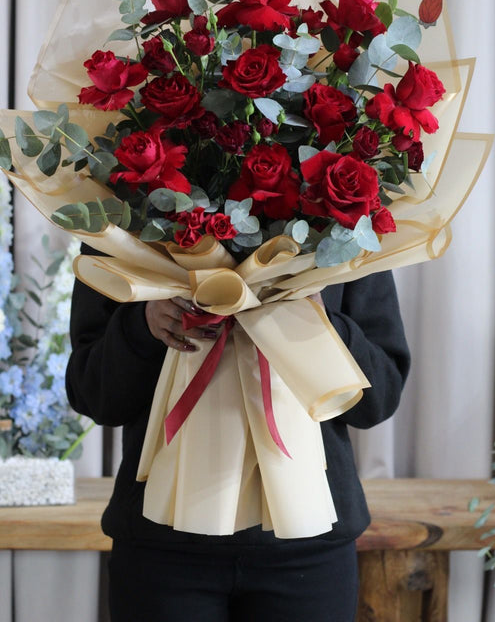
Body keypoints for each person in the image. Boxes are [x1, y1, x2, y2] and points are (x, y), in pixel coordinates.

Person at [67, 242, 410, 622]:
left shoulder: (342, 226)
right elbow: (91, 395)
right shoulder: (122, 222)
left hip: (308, 548)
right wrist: (142, 326)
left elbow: (380, 398)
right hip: (161, 551)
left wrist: (320, 323)